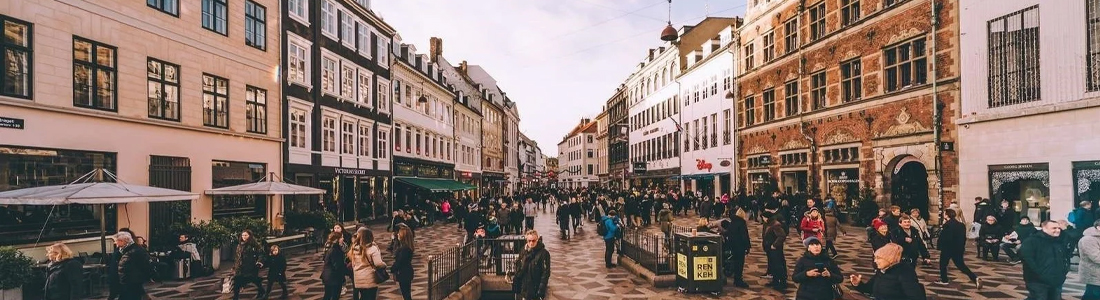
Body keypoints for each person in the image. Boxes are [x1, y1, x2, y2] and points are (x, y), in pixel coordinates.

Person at [848, 243, 927, 299]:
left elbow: (916, 297)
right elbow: (869, 289)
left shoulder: (905, 273)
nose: (875, 261)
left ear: (889, 258)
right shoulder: (881, 270)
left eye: (878, 258)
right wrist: (858, 284)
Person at [1020, 220, 1071, 300]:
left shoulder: (1059, 242)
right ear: (1044, 228)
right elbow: (1027, 259)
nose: (1057, 230)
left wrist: (1064, 271)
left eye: (1059, 228)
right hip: (1037, 280)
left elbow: (1065, 257)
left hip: (1056, 279)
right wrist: (1040, 274)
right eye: (1054, 228)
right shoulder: (1032, 241)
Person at [934, 208, 980, 287]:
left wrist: (940, 246)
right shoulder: (961, 225)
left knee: (943, 264)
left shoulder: (948, 225)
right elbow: (963, 238)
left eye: (944, 214)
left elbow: (945, 238)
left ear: (947, 215)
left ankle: (944, 279)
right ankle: (974, 278)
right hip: (958, 248)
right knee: (961, 265)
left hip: (948, 248)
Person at [348, 228, 386, 300]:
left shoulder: (354, 248)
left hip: (358, 278)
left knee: (363, 296)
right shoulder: (372, 248)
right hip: (370, 278)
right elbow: (378, 263)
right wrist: (384, 265)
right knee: (371, 297)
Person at [512, 230, 551, 300]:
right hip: (525, 289)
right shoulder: (523, 251)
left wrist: (540, 291)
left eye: (533, 241)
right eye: (529, 241)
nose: (531, 243)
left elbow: (545, 273)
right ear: (527, 240)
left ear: (537, 240)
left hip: (536, 290)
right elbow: (519, 268)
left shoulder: (543, 253)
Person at [115, 231, 151, 300]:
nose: (117, 243)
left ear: (125, 241)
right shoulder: (123, 250)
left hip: (132, 282)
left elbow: (144, 265)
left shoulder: (135, 250)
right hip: (128, 282)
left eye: (118, 241)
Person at [232, 230, 265, 300]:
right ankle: (235, 298)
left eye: (246, 235)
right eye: (243, 235)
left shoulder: (254, 245)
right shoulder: (239, 245)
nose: (244, 237)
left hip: (251, 267)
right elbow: (237, 257)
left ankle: (261, 290)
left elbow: (261, 253)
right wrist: (235, 266)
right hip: (240, 268)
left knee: (253, 279)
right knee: (237, 283)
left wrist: (259, 261)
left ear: (250, 236)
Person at [722, 214, 750, 288]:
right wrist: (747, 246)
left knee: (735, 262)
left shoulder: (732, 222)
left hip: (732, 245)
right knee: (740, 263)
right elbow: (744, 236)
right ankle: (738, 280)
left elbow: (728, 232)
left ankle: (736, 279)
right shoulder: (741, 224)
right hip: (740, 246)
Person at [320, 232, 349, 300]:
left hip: (328, 276)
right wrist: (348, 271)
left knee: (328, 295)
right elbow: (338, 265)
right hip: (334, 277)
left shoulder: (332, 248)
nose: (343, 238)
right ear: (336, 239)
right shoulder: (335, 250)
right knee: (334, 296)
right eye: (341, 237)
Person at [763, 216, 788, 290]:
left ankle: (782, 283)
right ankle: (775, 281)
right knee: (774, 265)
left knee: (778, 266)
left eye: (763, 217)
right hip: (770, 249)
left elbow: (782, 236)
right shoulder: (770, 224)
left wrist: (774, 244)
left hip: (775, 249)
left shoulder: (775, 225)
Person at [392, 226, 415, 300]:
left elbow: (400, 262)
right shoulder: (405, 247)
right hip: (406, 272)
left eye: (399, 234)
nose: (397, 234)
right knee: (406, 294)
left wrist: (392, 268)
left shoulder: (405, 249)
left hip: (404, 273)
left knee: (406, 294)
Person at [1079, 219, 1100, 300]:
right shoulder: (1088, 239)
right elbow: (1097, 257)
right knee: (1093, 295)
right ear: (1098, 227)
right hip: (1094, 275)